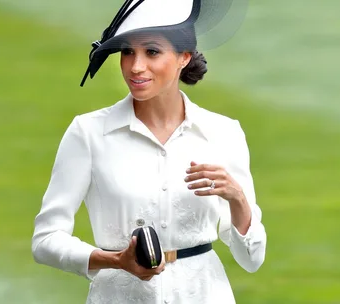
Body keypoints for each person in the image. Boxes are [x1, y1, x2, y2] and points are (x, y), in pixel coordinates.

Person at [32, 0, 267, 303]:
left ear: (184, 56)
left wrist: (237, 198)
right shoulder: (88, 133)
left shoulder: (224, 133)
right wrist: (115, 260)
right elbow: (46, 240)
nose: (135, 66)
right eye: (127, 51)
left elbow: (252, 259)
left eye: (152, 52)